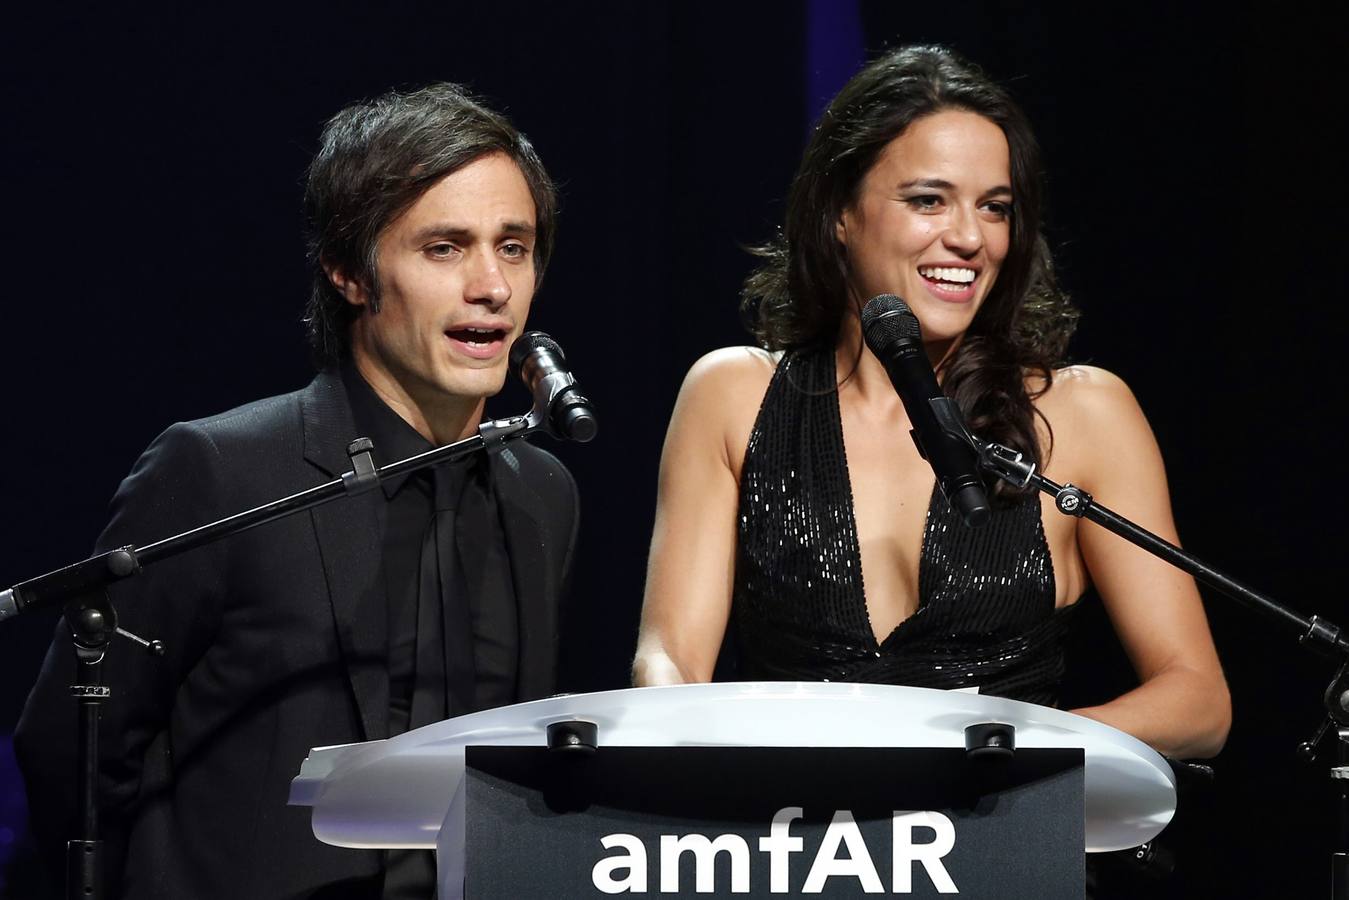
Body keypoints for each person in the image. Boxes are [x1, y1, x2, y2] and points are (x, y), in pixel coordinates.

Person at [15, 84, 578, 899]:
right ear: (349, 271)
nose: (491, 286)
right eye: (444, 248)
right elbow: (72, 750)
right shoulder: (219, 470)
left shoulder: (543, 495)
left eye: (514, 246)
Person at [633, 45, 1229, 761]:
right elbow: (667, 661)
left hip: (1002, 845)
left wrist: (1017, 746)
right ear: (838, 213)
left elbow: (1196, 699)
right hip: (787, 842)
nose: (970, 238)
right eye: (927, 200)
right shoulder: (731, 394)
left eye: (994, 208)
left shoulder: (1083, 413)